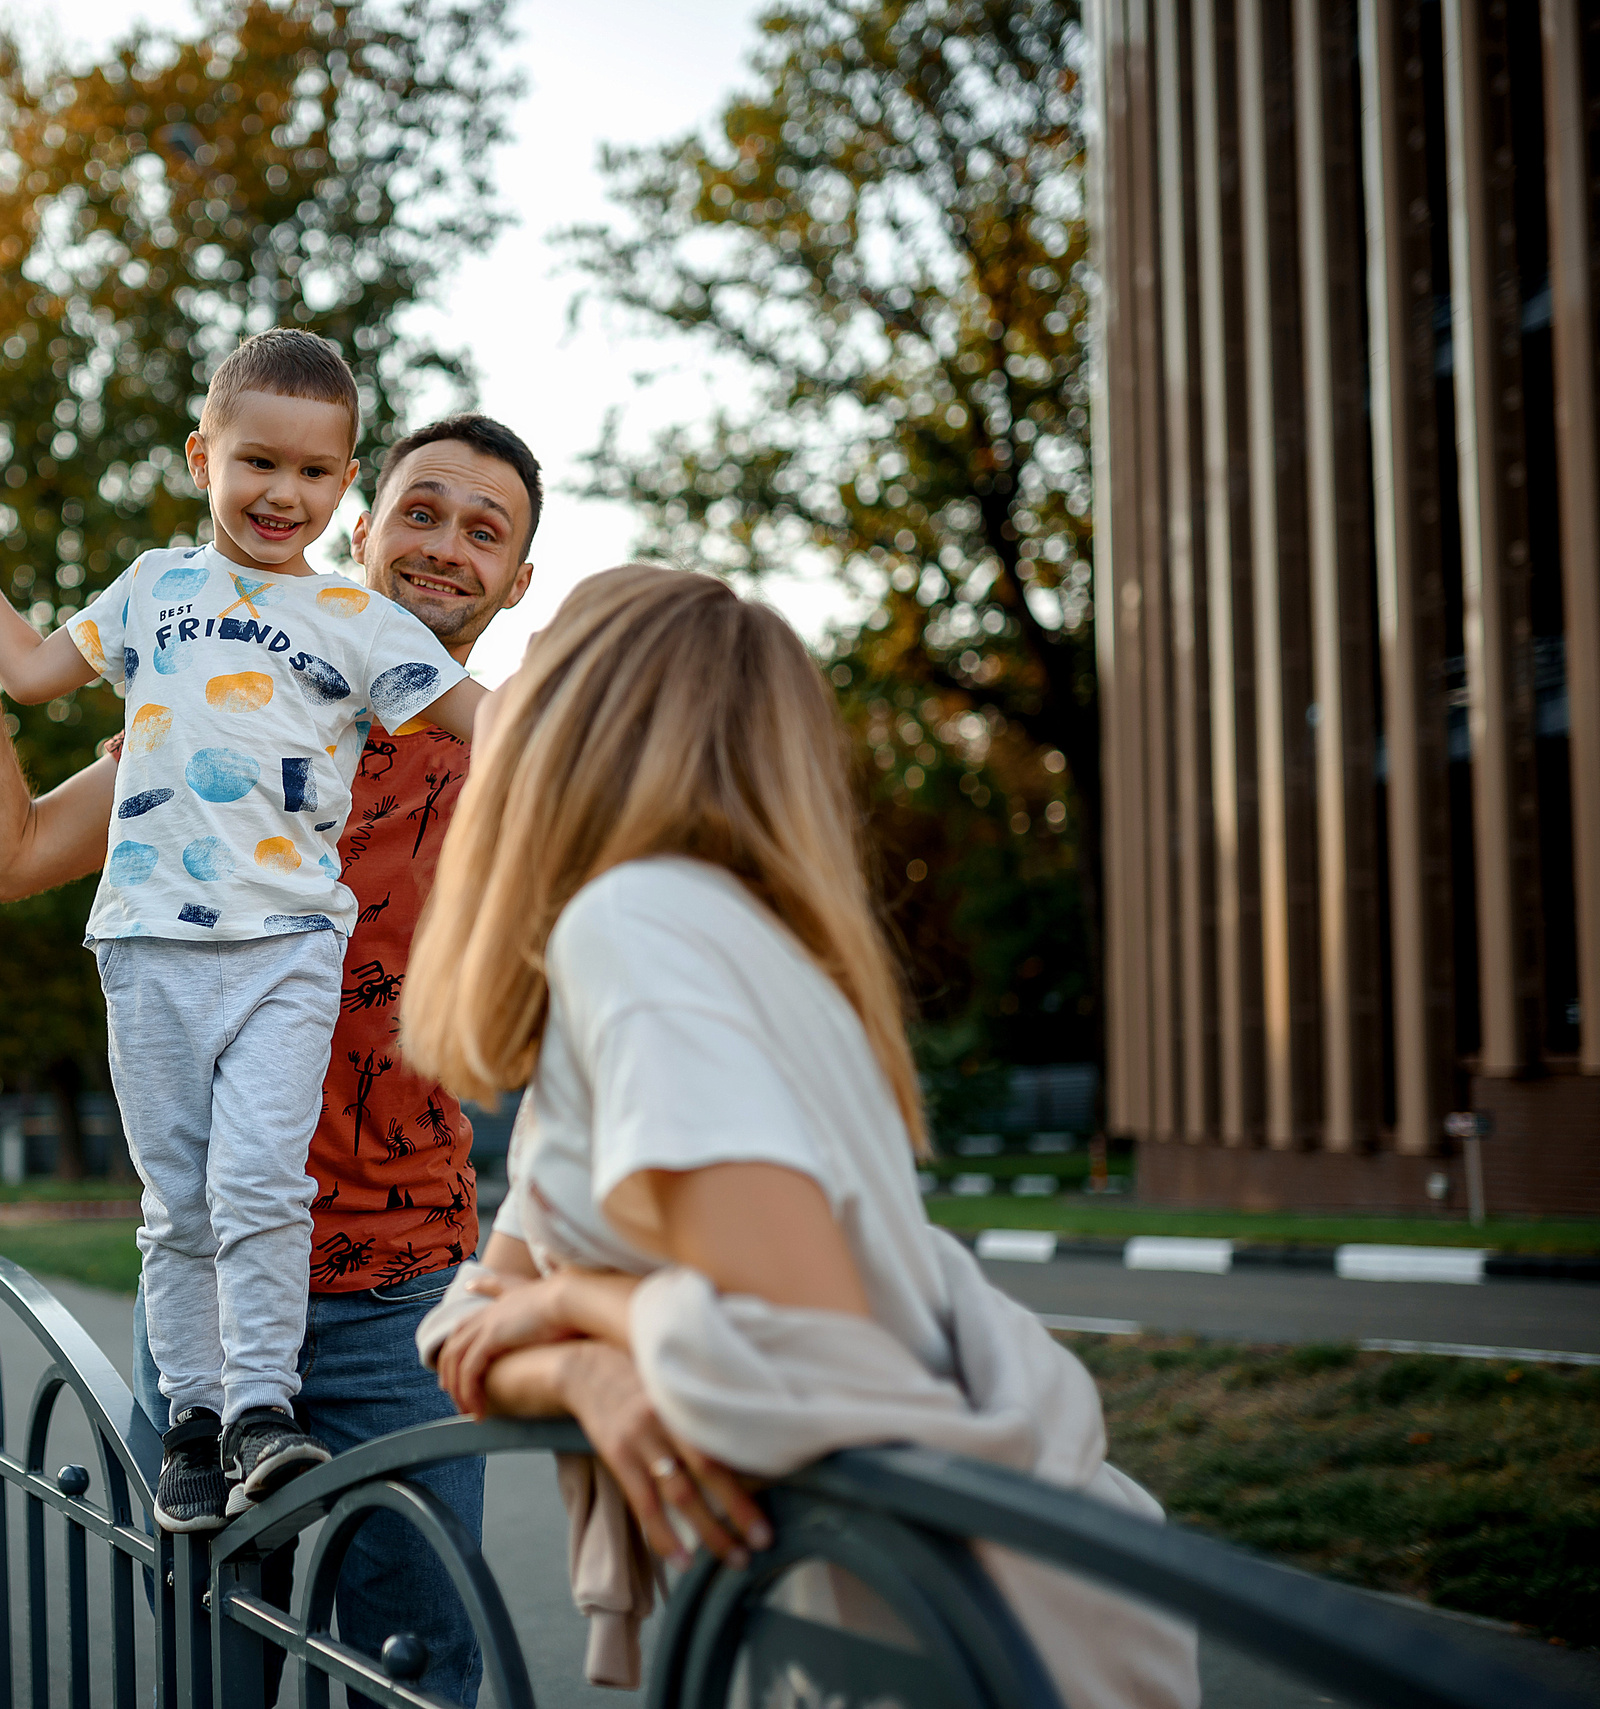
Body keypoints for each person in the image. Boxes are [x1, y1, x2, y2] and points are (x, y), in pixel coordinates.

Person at [404, 565, 1197, 1706]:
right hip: (913, 1605)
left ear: (581, 714)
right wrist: (588, 1368)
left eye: (534, 657)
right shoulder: (682, 949)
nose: (500, 684)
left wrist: (581, 1303)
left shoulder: (637, 932)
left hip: (959, 1631)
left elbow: (811, 1364)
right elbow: (467, 1325)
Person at [0, 406, 541, 1709]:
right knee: (208, 1671)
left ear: (516, 583)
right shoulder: (218, 705)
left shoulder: (527, 781)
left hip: (399, 1301)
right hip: (206, 1303)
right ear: (359, 526)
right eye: (420, 511)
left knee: (415, 1681)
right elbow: (0, 856)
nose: (444, 545)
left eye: (483, 532)